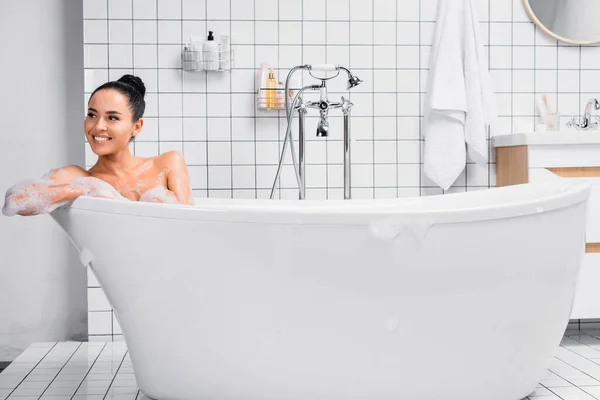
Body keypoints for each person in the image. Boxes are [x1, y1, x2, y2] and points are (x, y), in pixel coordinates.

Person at [2, 75, 192, 217]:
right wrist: (83, 189)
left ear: (137, 126)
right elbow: (15, 201)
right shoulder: (78, 177)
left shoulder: (167, 163)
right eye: (92, 115)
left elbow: (188, 223)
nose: (98, 126)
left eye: (112, 118)